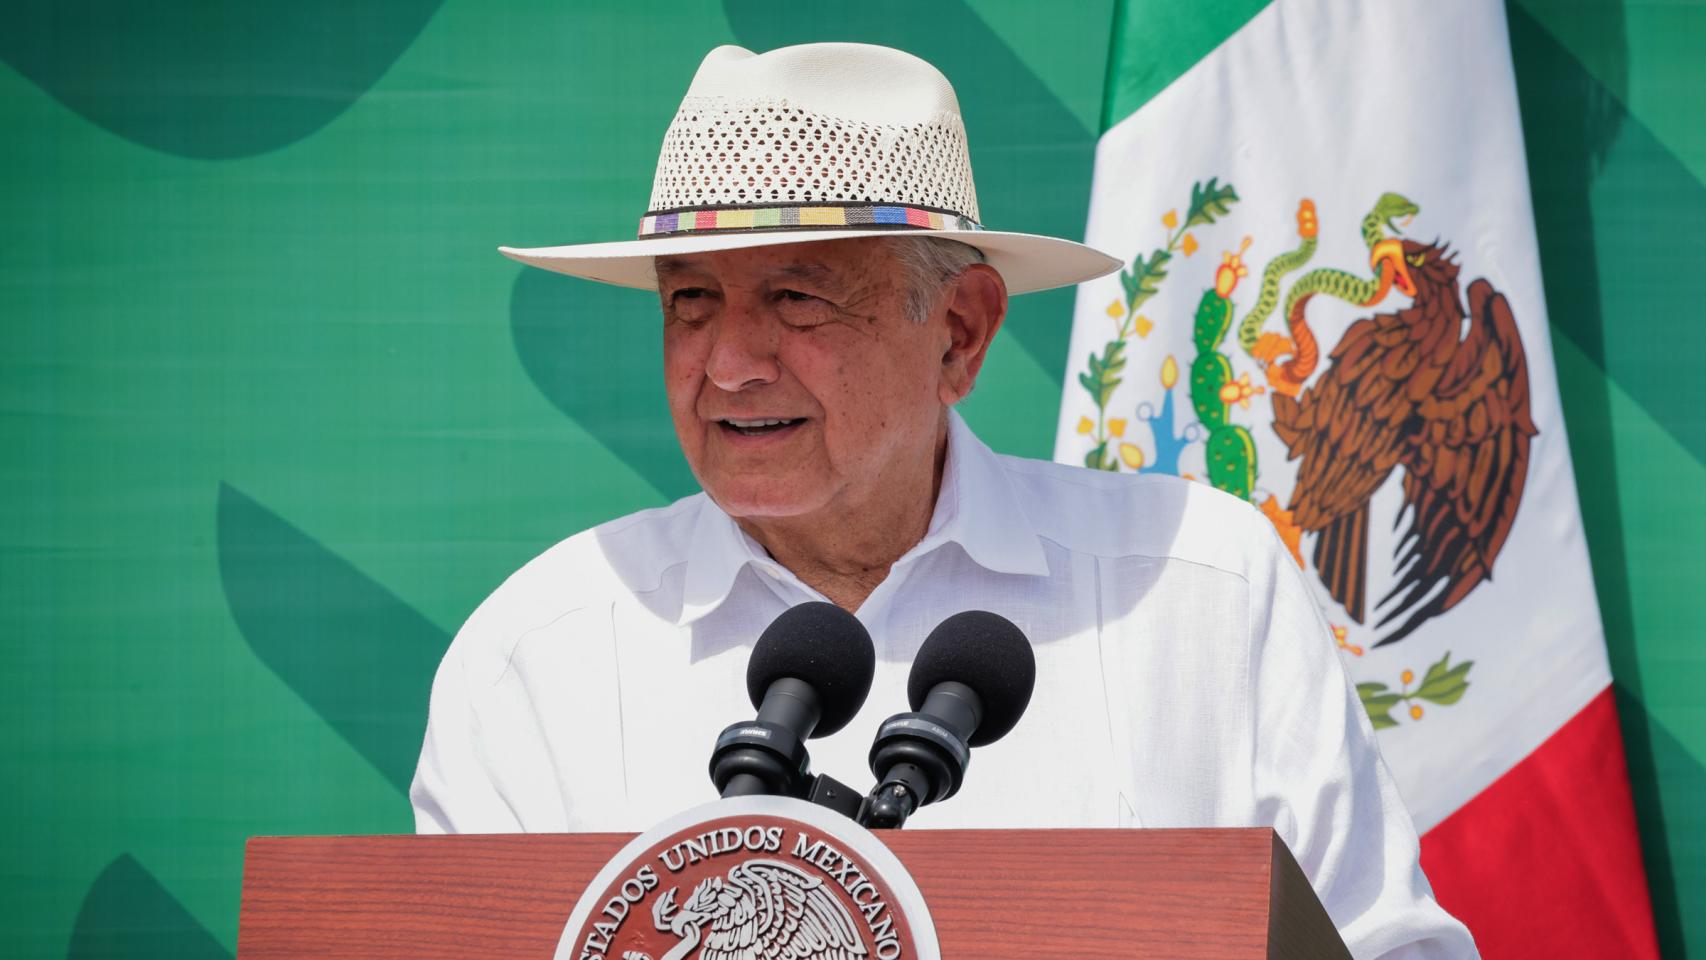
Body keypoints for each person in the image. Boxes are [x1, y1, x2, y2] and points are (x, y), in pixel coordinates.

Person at [410, 42, 1477, 958]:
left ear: (958, 332)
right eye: (691, 301)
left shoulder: (1195, 588)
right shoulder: (537, 656)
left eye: (795, 297)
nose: (728, 364)